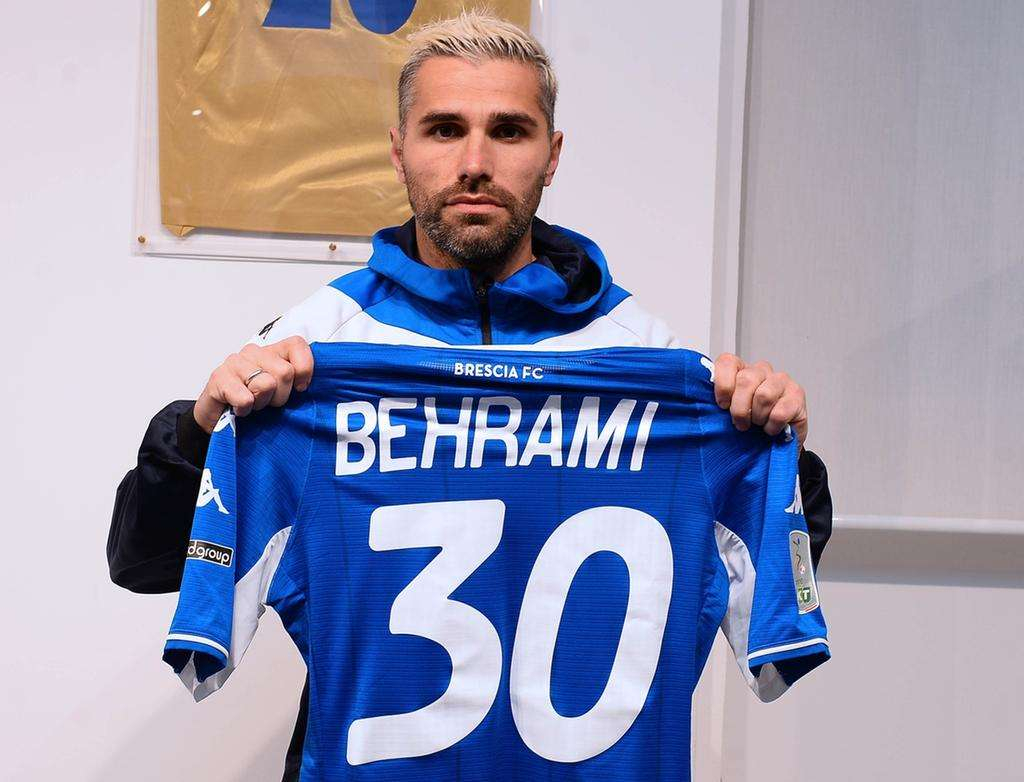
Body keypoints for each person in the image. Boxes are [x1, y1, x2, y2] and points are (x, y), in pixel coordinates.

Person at [107, 11, 833, 780]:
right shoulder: (316, 341)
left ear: (552, 156)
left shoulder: (641, 352)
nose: (475, 162)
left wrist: (777, 446)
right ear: (399, 152)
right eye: (444, 129)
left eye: (510, 132)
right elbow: (144, 559)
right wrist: (199, 428)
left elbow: (772, 557)